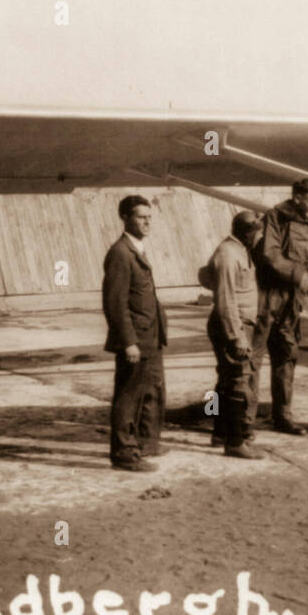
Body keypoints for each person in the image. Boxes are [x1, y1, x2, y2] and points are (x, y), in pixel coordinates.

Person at [247, 178, 308, 436]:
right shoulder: (275, 216)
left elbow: (300, 256)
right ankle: (244, 423)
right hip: (268, 298)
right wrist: (299, 276)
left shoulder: (305, 221)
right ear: (298, 197)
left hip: (290, 301)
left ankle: (283, 418)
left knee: (286, 358)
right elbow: (270, 255)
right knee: (252, 360)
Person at [102, 194, 168, 472]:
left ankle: (145, 442)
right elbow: (115, 303)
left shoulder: (136, 249)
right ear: (125, 218)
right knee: (129, 396)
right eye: (141, 217)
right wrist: (128, 342)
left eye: (149, 217)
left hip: (150, 337)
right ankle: (124, 452)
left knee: (151, 390)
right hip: (136, 340)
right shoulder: (120, 253)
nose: (147, 222)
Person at [202, 210, 264, 459]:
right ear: (247, 232)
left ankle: (219, 432)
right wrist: (236, 336)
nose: (259, 238)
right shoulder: (228, 254)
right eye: (257, 233)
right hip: (233, 325)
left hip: (237, 323)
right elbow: (225, 300)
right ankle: (236, 441)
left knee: (225, 381)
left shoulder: (239, 250)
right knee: (239, 381)